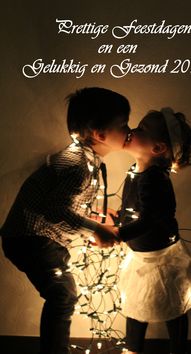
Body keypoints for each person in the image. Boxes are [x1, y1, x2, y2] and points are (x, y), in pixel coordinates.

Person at [0, 87, 130, 354]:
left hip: (39, 238)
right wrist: (95, 229)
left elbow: (66, 205)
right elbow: (54, 209)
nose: (129, 130)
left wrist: (98, 218)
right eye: (123, 124)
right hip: (30, 238)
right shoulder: (78, 165)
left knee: (64, 293)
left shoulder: (86, 160)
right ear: (100, 134)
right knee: (63, 294)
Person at [115, 109, 191, 354]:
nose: (132, 131)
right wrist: (115, 219)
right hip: (141, 257)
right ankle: (133, 349)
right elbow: (131, 210)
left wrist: (117, 235)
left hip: (162, 259)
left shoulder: (154, 179)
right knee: (136, 304)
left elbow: (148, 220)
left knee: (173, 306)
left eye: (142, 129)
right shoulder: (135, 171)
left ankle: (177, 349)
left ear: (157, 148)